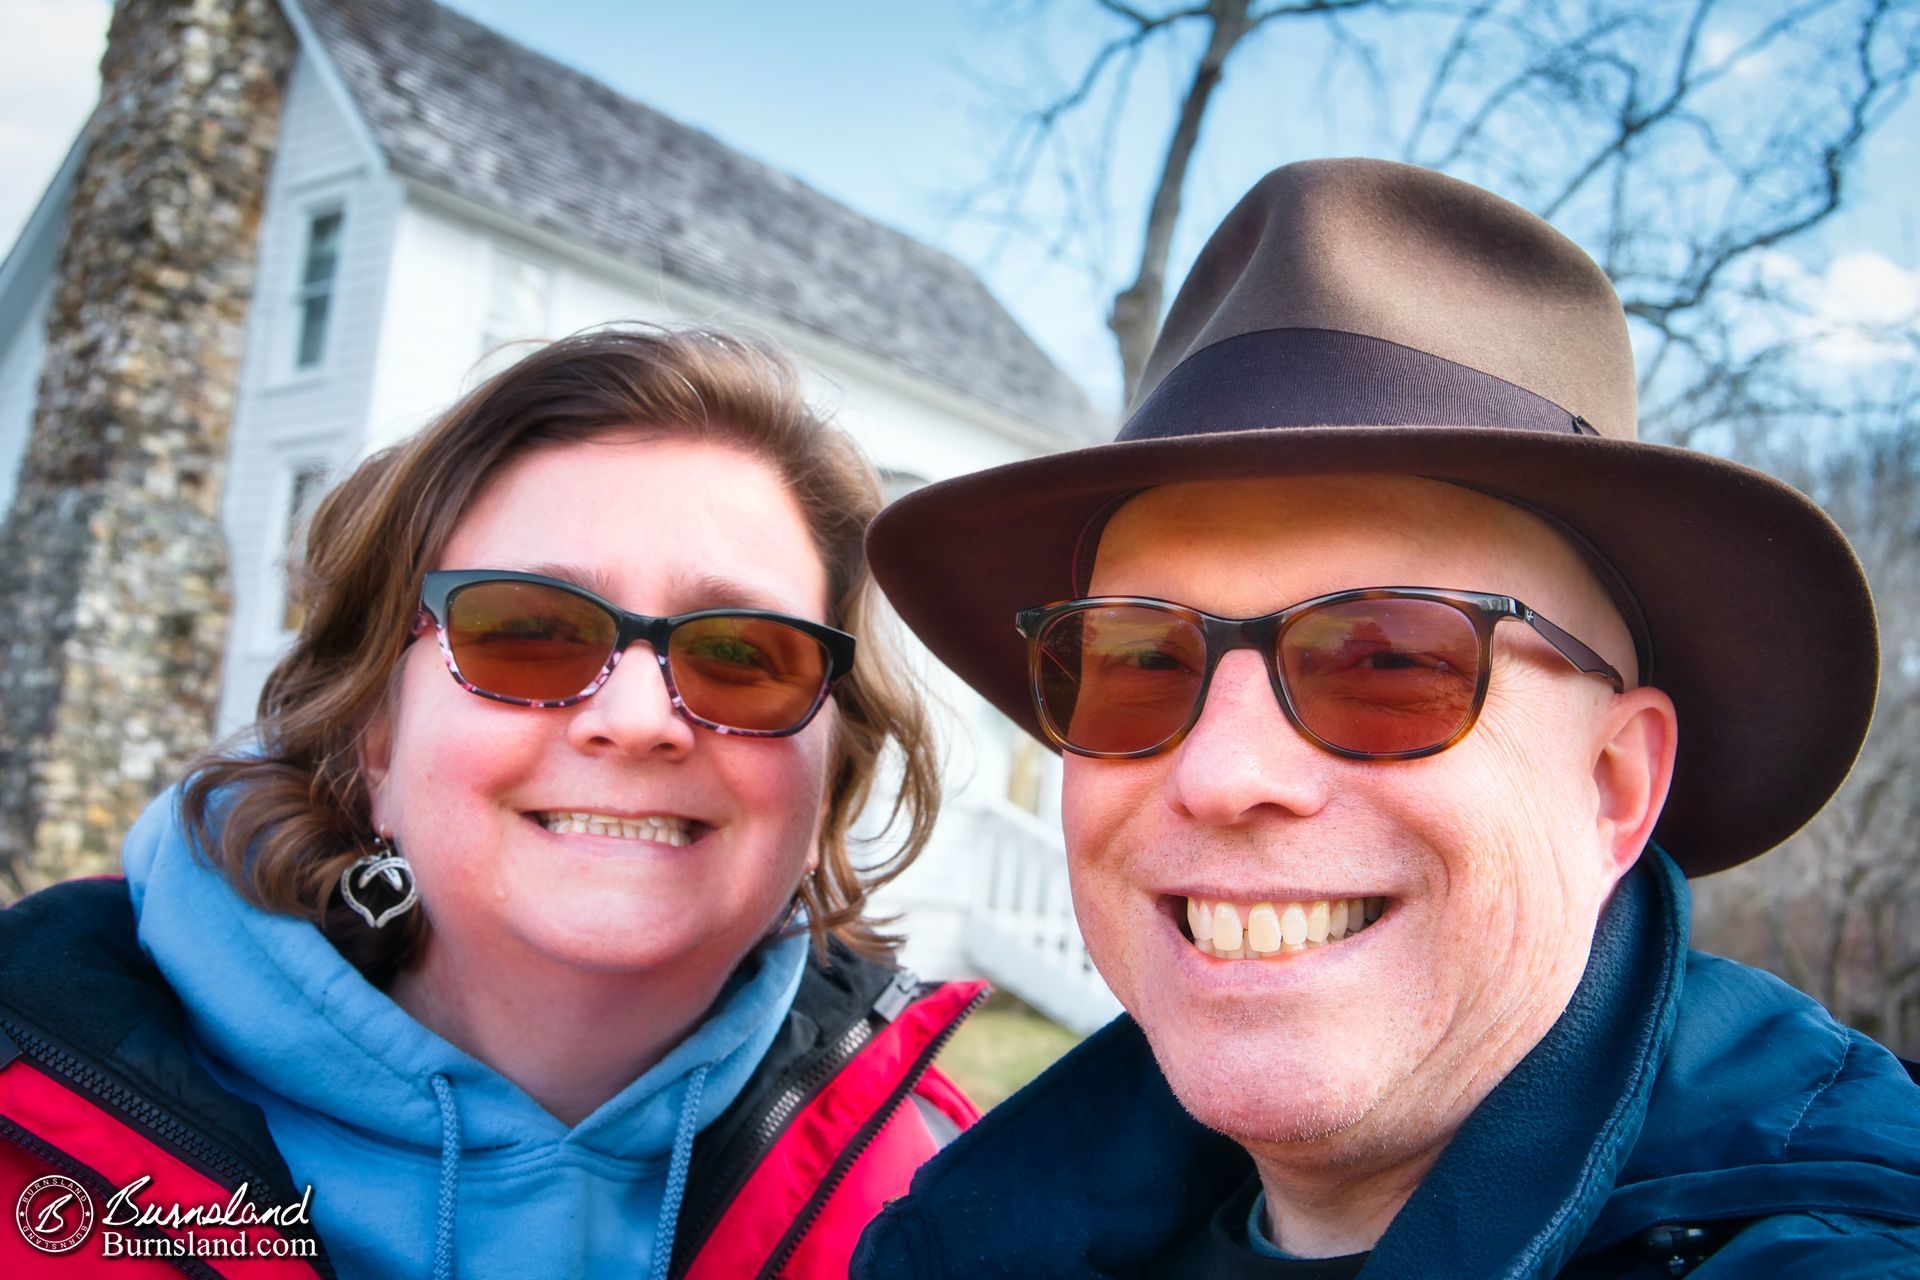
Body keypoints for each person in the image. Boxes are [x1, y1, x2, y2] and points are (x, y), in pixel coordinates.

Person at [851, 159, 1920, 1278]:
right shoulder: (962, 1237)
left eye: (1388, 659)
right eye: (1138, 660)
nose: (1223, 772)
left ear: (1613, 782)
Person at [0, 328, 984, 1279]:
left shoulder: (962, 1202)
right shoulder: (28, 1120)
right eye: (526, 631)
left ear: (828, 778)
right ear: (372, 740)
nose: (639, 719)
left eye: (740, 654)